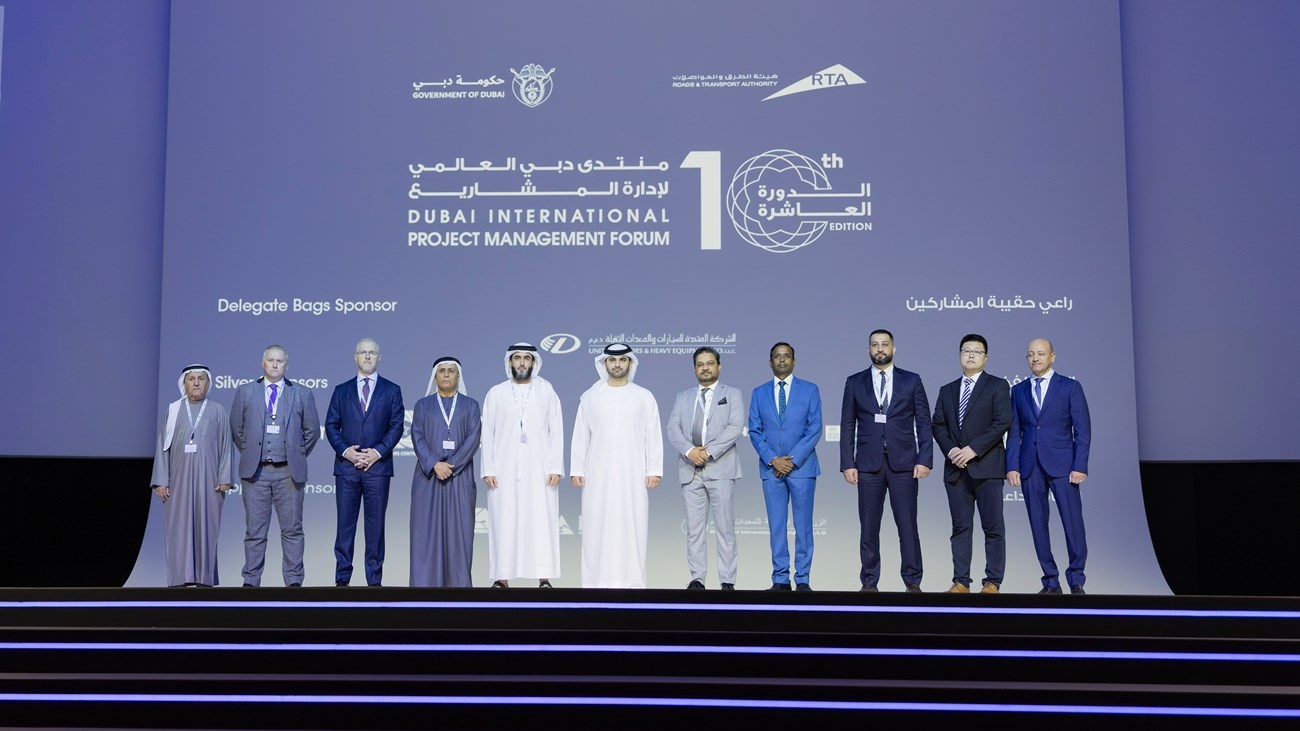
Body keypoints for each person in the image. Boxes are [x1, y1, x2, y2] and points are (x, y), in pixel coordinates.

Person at [840, 329, 933, 593]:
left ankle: (912, 581)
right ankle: (869, 581)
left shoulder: (912, 380)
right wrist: (848, 463)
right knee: (869, 528)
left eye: (884, 344)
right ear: (868, 350)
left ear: (894, 348)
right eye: (875, 344)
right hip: (867, 465)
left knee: (908, 526)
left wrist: (925, 459)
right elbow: (847, 425)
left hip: (905, 464)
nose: (880, 348)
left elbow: (923, 422)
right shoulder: (854, 382)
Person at [570, 343, 663, 588]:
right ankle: (594, 584)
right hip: (596, 475)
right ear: (604, 363)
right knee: (596, 528)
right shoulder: (589, 397)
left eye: (622, 360)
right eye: (612, 360)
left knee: (632, 527)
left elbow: (653, 435)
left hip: (633, 475)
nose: (617, 364)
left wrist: (654, 470)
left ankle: (633, 584)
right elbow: (581, 435)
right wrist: (577, 469)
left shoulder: (643, 396)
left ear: (630, 363)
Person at [229, 344, 320, 587]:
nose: (275, 364)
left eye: (280, 361)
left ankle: (294, 582)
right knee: (255, 532)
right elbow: (237, 429)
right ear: (263, 363)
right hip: (256, 473)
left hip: (289, 473)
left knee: (292, 530)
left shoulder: (302, 393)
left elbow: (312, 431)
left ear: (286, 365)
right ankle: (251, 581)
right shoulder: (245, 392)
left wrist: (296, 454)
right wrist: (252, 453)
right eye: (271, 360)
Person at [1006, 338, 1091, 595]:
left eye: (1041, 354)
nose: (1035, 358)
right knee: (1037, 523)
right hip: (1029, 465)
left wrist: (1080, 465)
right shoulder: (1018, 390)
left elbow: (1083, 430)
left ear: (1052, 356)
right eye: (1031, 354)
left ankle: (1076, 579)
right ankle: (1051, 581)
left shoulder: (1070, 387)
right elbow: (1015, 432)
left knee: (1072, 522)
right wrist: (1012, 465)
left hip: (1064, 466)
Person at [931, 334, 1011, 594]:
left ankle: (992, 582)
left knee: (993, 527)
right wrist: (952, 450)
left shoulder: (998, 385)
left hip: (987, 467)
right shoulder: (947, 390)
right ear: (960, 355)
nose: (971, 355)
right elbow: (938, 425)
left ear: (985, 358)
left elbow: (1002, 422)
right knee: (960, 528)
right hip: (956, 469)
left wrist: (973, 449)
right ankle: (961, 581)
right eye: (966, 350)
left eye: (977, 351)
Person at [481, 343, 564, 589]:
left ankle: (544, 578)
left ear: (534, 362)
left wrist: (556, 467)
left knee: (540, 521)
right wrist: (488, 469)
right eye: (517, 358)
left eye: (526, 358)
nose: (521, 362)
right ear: (510, 362)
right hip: (503, 469)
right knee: (504, 521)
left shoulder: (546, 391)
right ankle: (502, 578)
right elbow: (487, 433)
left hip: (540, 470)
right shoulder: (496, 393)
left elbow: (556, 430)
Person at [325, 338, 405, 587]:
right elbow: (331, 425)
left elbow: (396, 426)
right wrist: (346, 452)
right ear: (355, 358)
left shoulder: (392, 390)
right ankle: (342, 580)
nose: (367, 356)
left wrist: (377, 453)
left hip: (378, 469)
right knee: (344, 527)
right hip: (347, 468)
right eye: (363, 352)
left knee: (375, 528)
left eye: (372, 353)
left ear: (379, 358)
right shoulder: (341, 390)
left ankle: (374, 582)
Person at [666, 347, 746, 590]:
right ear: (694, 369)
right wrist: (690, 451)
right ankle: (697, 579)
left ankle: (727, 581)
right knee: (694, 530)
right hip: (690, 469)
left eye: (710, 363)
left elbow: (735, 427)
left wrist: (708, 452)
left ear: (719, 366)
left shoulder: (732, 394)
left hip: (720, 467)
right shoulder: (683, 397)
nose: (705, 368)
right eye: (700, 364)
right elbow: (673, 428)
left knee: (725, 528)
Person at [747, 342, 822, 592]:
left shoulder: (810, 390)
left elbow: (814, 429)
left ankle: (803, 579)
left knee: (803, 526)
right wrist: (773, 459)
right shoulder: (758, 393)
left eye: (786, 356)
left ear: (794, 361)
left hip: (802, 468)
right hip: (771, 469)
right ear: (770, 362)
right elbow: (755, 431)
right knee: (776, 526)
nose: (782, 360)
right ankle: (780, 578)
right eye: (777, 357)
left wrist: (791, 460)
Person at [149, 364, 233, 587]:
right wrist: (160, 481)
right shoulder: (173, 410)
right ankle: (180, 578)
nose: (196, 383)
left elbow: (226, 446)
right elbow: (162, 446)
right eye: (191, 379)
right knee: (178, 529)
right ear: (184, 383)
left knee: (207, 529)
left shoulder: (218, 410)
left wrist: (225, 477)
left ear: (208, 383)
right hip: (177, 481)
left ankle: (204, 578)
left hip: (210, 481)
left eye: (201, 378)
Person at [409, 357, 481, 588]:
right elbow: (417, 436)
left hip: (459, 477)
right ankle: (424, 592)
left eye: (451, 371)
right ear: (435, 376)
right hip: (428, 477)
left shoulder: (471, 406)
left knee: (459, 536)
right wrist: (434, 464)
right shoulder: (422, 405)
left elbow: (473, 439)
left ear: (458, 376)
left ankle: (459, 594)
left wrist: (451, 466)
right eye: (442, 371)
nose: (447, 374)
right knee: (425, 536)